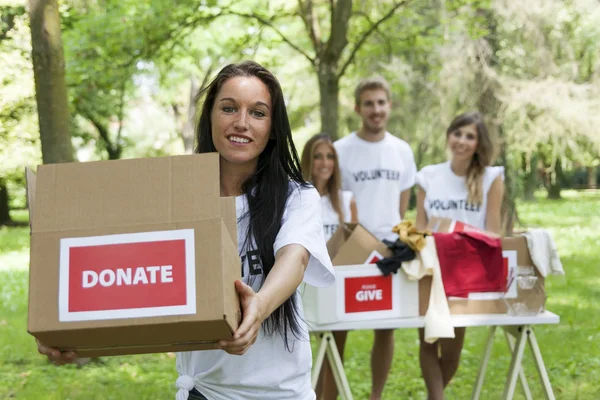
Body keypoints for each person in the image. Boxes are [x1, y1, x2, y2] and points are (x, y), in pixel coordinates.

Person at [35, 60, 335, 400]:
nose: (241, 122)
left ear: (273, 127)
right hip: (203, 393)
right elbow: (136, 282)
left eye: (258, 113)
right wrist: (73, 335)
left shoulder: (297, 197)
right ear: (210, 117)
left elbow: (294, 259)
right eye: (229, 108)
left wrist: (259, 307)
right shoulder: (177, 198)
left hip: (280, 394)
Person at [334, 76, 417, 400]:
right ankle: (327, 393)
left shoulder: (402, 150)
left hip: (388, 250)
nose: (376, 109)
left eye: (381, 102)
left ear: (389, 106)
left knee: (386, 328)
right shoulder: (341, 150)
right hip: (350, 247)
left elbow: (402, 206)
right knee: (336, 327)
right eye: (369, 103)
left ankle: (376, 396)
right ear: (358, 108)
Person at [414, 111, 504, 400]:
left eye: (470, 136)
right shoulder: (428, 175)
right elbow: (420, 226)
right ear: (448, 136)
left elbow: (493, 231)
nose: (462, 141)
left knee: (452, 346)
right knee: (428, 339)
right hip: (431, 268)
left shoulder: (491, 177)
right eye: (458, 133)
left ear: (479, 143)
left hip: (466, 271)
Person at [300, 133, 357, 400]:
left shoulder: (346, 201)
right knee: (307, 353)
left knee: (336, 352)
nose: (324, 162)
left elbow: (353, 245)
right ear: (308, 160)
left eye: (330, 156)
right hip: (305, 285)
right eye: (318, 156)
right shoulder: (297, 195)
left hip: (338, 285)